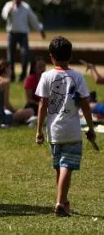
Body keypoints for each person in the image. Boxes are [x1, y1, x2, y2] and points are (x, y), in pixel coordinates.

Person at [35, 36, 96, 217]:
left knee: (60, 167)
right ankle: (60, 203)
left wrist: (39, 130)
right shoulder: (77, 77)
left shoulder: (46, 76)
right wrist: (91, 128)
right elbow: (85, 104)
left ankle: (63, 200)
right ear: (71, 55)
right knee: (66, 166)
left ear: (51, 57)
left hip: (54, 131)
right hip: (71, 131)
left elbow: (42, 105)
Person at [1, 0, 46, 82]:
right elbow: (4, 16)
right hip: (12, 34)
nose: (18, 0)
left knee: (25, 55)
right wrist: (11, 8)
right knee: (10, 56)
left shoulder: (26, 7)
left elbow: (33, 19)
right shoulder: (8, 5)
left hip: (23, 35)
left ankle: (23, 75)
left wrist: (40, 29)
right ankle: (11, 75)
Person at [0, 59, 35, 126]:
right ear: (6, 69)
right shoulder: (4, 82)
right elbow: (6, 104)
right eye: (10, 68)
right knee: (30, 111)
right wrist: (16, 112)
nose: (11, 70)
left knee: (10, 112)